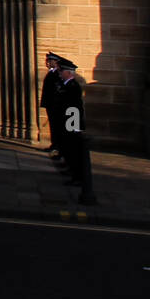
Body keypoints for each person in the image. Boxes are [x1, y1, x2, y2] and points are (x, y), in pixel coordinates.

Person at [54, 59, 90, 197]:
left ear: (69, 73)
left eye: (62, 71)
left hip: (71, 124)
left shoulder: (73, 86)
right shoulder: (66, 85)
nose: (60, 73)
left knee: (74, 151)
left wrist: (73, 128)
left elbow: (74, 109)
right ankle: (73, 174)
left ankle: (78, 178)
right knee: (69, 151)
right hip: (67, 123)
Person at [39, 51, 62, 153]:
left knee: (57, 126)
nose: (47, 62)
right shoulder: (52, 72)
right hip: (50, 104)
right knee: (53, 125)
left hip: (55, 105)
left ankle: (58, 146)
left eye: (49, 60)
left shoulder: (58, 73)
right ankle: (54, 145)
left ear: (56, 62)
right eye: (47, 60)